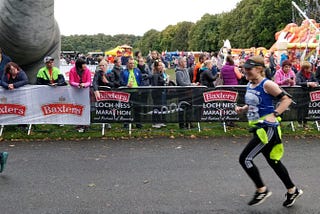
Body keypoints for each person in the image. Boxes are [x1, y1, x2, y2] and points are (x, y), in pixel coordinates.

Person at [235, 56, 303, 207]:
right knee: (273, 161)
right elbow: (252, 103)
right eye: (244, 69)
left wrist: (275, 114)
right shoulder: (250, 84)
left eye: (249, 69)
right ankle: (292, 190)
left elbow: (287, 100)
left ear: (259, 69)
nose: (245, 71)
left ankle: (262, 190)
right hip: (258, 128)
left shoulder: (268, 84)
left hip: (267, 129)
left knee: (245, 159)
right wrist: (243, 109)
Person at [69, 58, 92, 132]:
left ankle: (86, 123)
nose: (85, 65)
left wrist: (84, 85)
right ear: (79, 66)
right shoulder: (72, 70)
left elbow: (89, 81)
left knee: (85, 107)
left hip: (85, 91)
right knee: (77, 107)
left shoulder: (87, 70)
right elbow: (71, 81)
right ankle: (78, 124)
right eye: (83, 64)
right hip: (76, 91)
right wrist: (78, 84)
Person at [120, 57, 143, 129]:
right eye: (130, 63)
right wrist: (126, 85)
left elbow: (141, 80)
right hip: (127, 93)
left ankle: (138, 123)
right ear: (127, 64)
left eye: (133, 63)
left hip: (136, 92)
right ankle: (126, 124)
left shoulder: (137, 71)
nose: (132, 65)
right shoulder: (123, 72)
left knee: (137, 108)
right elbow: (120, 82)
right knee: (127, 109)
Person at [175, 56, 198, 129]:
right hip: (182, 93)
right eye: (184, 61)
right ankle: (182, 125)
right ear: (180, 63)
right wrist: (191, 85)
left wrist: (192, 84)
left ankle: (189, 123)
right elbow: (181, 83)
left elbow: (188, 81)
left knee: (189, 109)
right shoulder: (178, 72)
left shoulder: (186, 70)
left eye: (185, 61)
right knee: (182, 109)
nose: (186, 63)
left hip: (189, 92)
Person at [295, 61, 319, 127]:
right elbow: (298, 82)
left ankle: (305, 123)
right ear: (305, 68)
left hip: (308, 94)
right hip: (300, 93)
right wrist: (308, 83)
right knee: (300, 108)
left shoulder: (311, 74)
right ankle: (299, 122)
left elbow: (316, 80)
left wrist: (315, 83)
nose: (310, 69)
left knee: (306, 108)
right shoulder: (299, 74)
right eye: (309, 68)